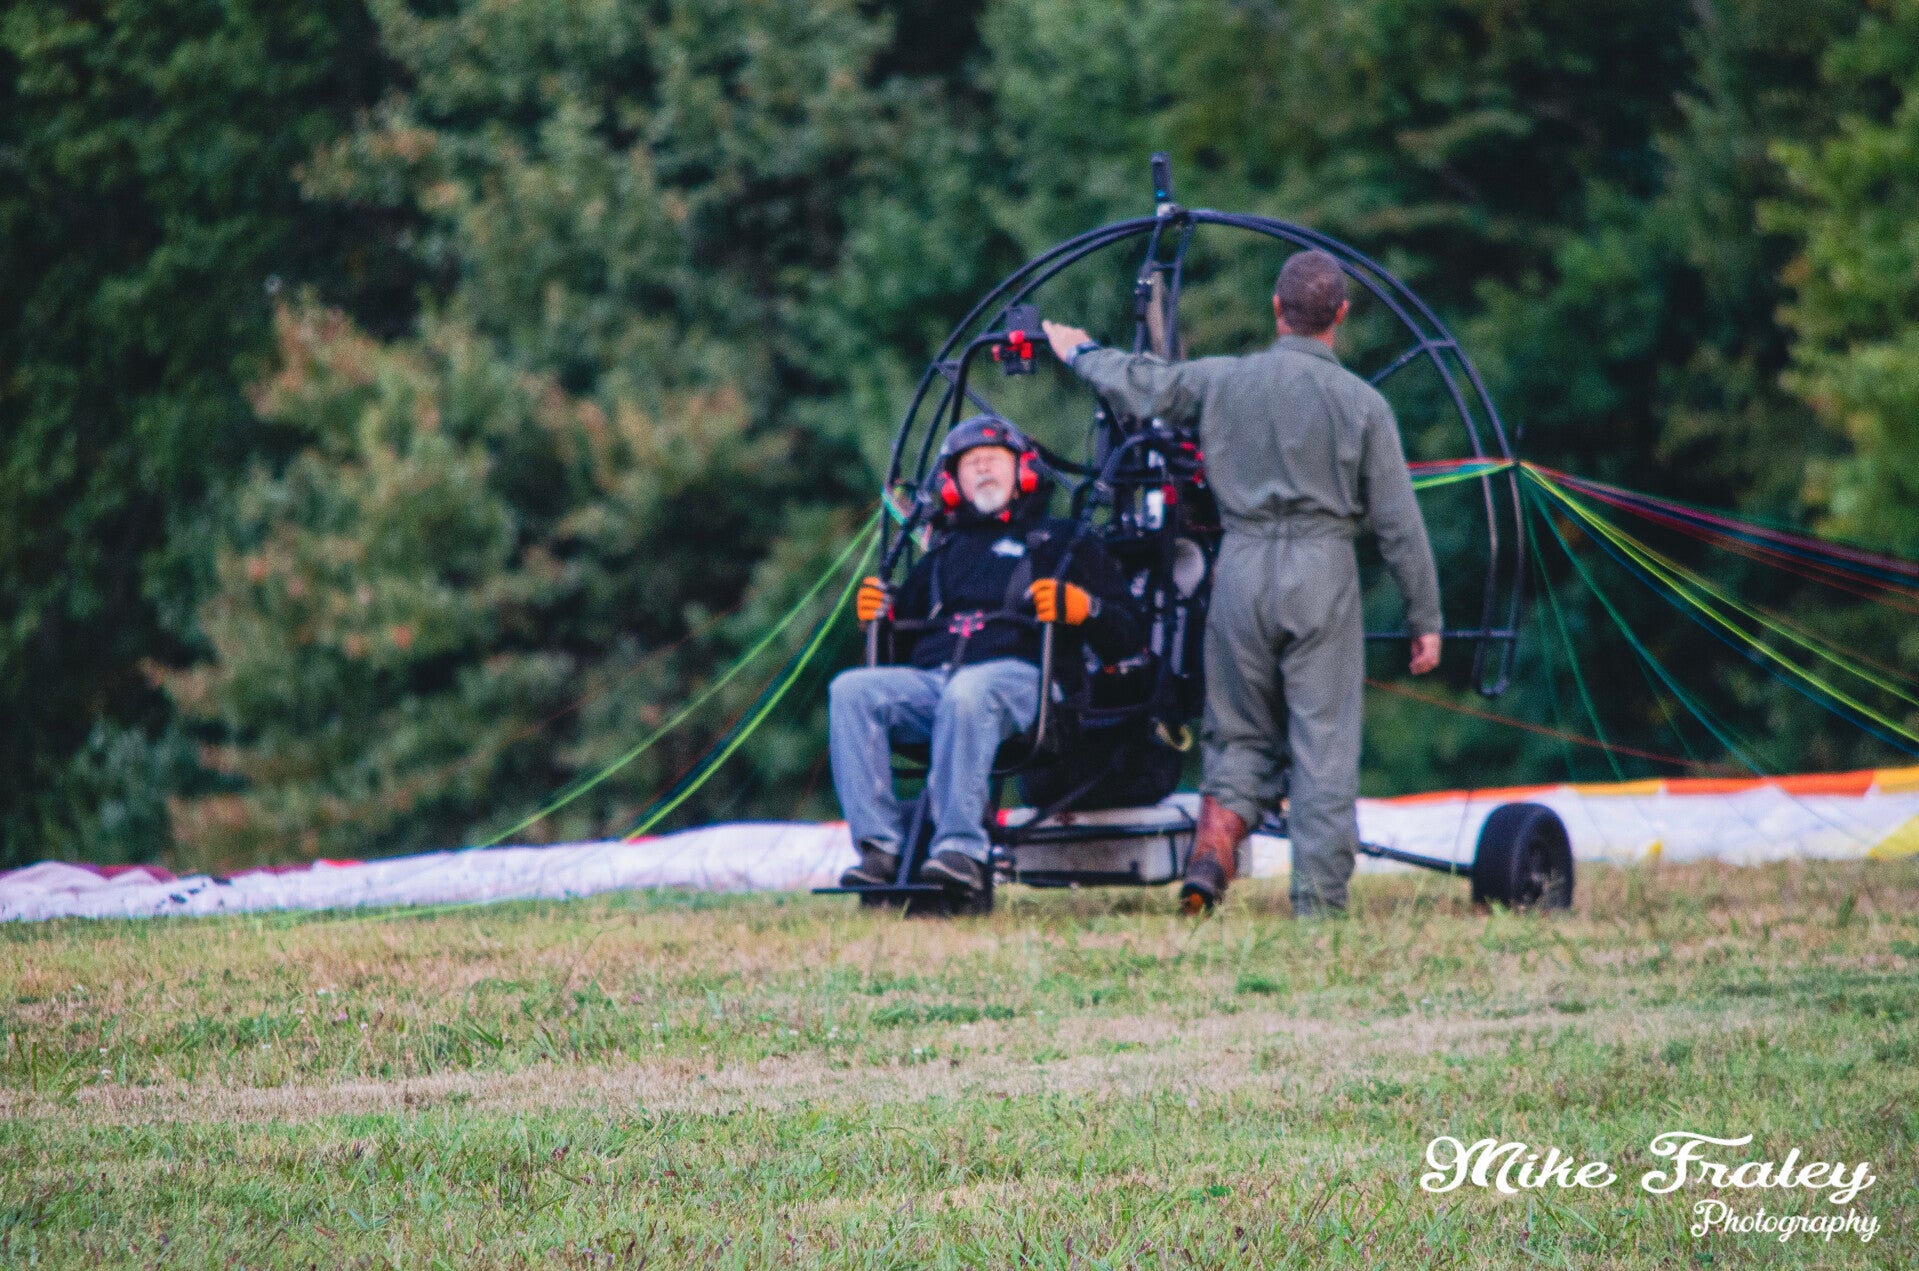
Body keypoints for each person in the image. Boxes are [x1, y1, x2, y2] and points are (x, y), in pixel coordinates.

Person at [1042, 248, 1442, 918]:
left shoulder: (1223, 380)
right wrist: (1424, 618)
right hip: (1321, 573)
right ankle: (1318, 907)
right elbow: (1399, 522)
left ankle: (1211, 853)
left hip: (1239, 568)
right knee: (1322, 746)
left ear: (1276, 309)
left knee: (1235, 735)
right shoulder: (1364, 404)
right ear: (1340, 315)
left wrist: (1081, 353)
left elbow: (1144, 385)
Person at [829, 415, 1143, 898]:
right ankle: (880, 849)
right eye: (970, 463)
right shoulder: (941, 555)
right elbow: (899, 654)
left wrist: (1087, 609)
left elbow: (1129, 638)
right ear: (952, 484)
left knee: (968, 690)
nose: (982, 468)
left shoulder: (1065, 542)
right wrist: (877, 621)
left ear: (1024, 473)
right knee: (851, 690)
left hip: (1030, 688)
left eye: (993, 459)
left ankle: (960, 850)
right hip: (940, 686)